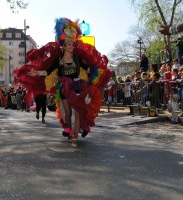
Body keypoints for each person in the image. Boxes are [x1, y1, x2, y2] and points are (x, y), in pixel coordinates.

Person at [14, 17, 112, 147]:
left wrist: (97, 72)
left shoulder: (77, 58)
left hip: (77, 86)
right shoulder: (58, 59)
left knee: (77, 112)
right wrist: (36, 73)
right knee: (67, 112)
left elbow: (89, 67)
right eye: (69, 44)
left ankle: (75, 137)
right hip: (64, 88)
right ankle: (70, 131)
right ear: (64, 46)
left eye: (72, 43)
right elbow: (48, 71)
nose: (72, 46)